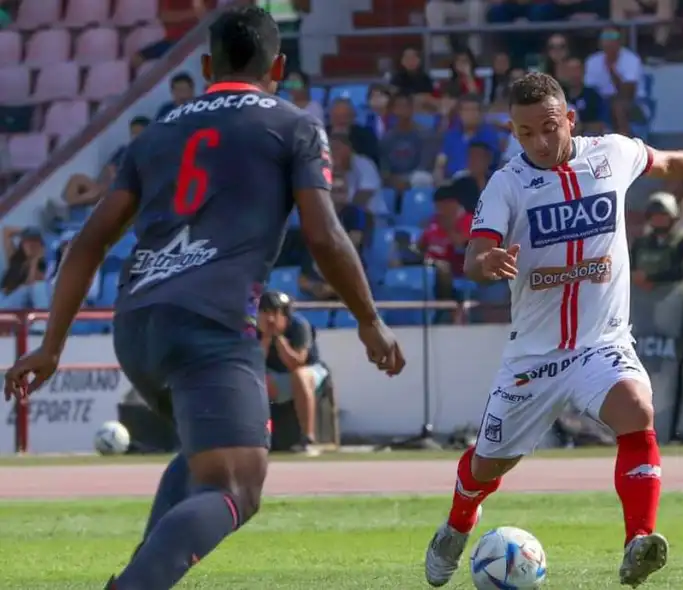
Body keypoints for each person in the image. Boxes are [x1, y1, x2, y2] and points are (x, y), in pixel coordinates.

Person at [0, 7, 405, 590]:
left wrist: (51, 346)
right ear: (278, 67)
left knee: (204, 456)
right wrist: (369, 319)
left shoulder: (157, 132)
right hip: (210, 321)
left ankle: (140, 577)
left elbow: (88, 242)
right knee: (237, 485)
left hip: (137, 323)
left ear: (209, 66)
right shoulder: (293, 126)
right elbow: (324, 235)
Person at [422, 72, 683, 589]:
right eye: (525, 133)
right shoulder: (507, 184)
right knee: (488, 466)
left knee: (637, 408)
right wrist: (487, 263)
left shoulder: (611, 154)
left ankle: (638, 540)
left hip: (601, 343)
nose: (539, 141)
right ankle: (457, 524)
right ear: (513, 132)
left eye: (548, 127)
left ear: (570, 120)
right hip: (534, 357)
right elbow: (474, 256)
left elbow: (666, 163)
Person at [258, 290, 327, 457]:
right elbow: (255, 364)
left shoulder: (299, 325)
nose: (270, 319)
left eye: (274, 312)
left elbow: (296, 362)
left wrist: (279, 338)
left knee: (299, 376)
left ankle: (308, 438)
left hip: (309, 372)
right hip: (274, 376)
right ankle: (262, 437)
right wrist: (266, 339)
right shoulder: (253, 329)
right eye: (264, 312)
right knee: (255, 381)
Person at [630, 192, 683, 290]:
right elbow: (631, 266)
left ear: (673, 216)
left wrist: (650, 278)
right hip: (642, 295)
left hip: (674, 294)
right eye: (654, 215)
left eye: (663, 215)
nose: (658, 219)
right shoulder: (640, 243)